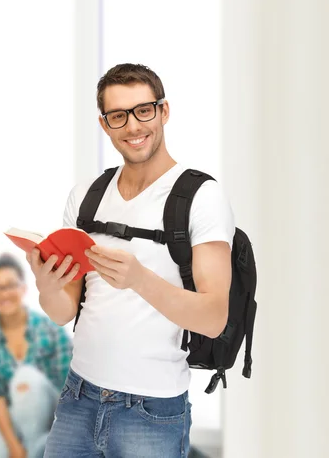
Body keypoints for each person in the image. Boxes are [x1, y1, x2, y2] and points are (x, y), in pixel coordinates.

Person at [27, 63, 235, 457]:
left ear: (163, 111)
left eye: (144, 110)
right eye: (118, 116)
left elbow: (214, 317)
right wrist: (47, 284)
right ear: (105, 124)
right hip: (78, 397)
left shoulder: (201, 197)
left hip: (151, 410)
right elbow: (61, 311)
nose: (134, 126)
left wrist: (139, 278)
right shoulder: (86, 195)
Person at [0, 254, 73, 458]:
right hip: (10, 419)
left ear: (23, 288)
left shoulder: (50, 329)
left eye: (10, 285)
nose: (4, 293)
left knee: (25, 377)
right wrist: (14, 447)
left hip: (53, 416)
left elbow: (71, 389)